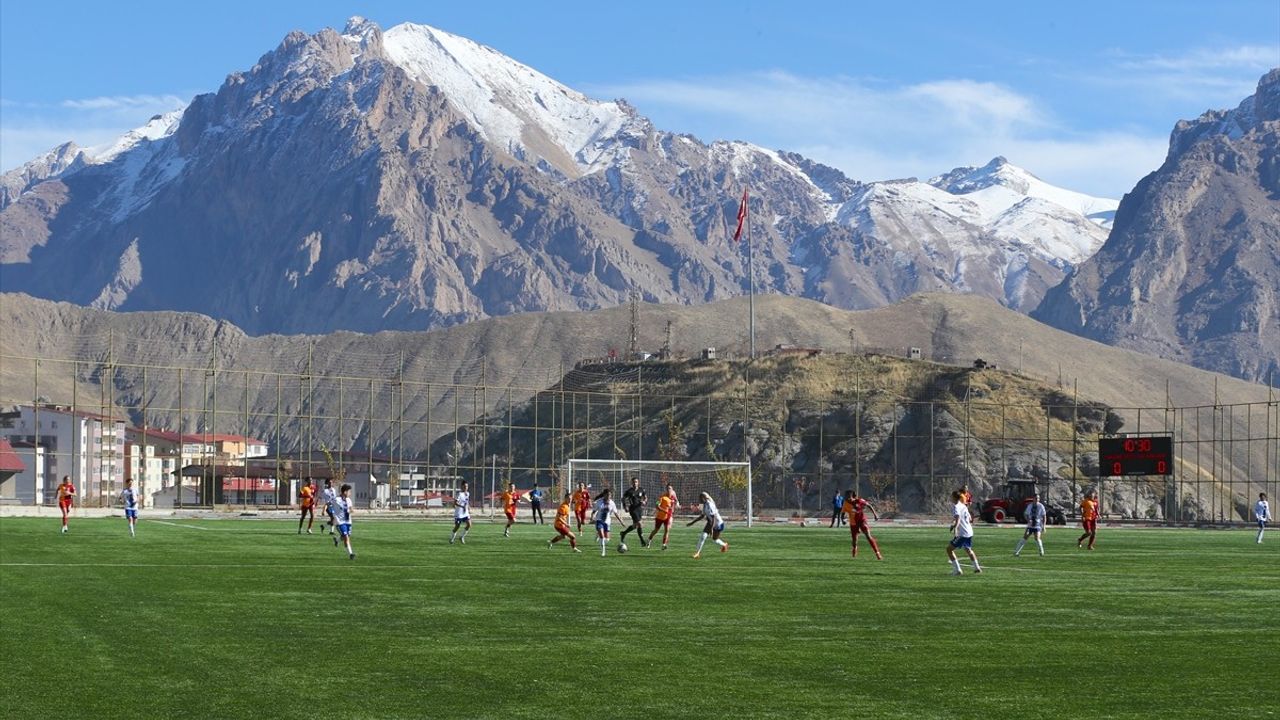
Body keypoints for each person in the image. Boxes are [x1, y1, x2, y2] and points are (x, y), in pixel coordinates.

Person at [946, 490, 982, 575]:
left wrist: (955, 527)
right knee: (968, 550)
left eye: (951, 496)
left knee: (949, 549)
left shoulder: (956, 507)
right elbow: (969, 519)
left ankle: (957, 570)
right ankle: (977, 568)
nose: (950, 498)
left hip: (963, 533)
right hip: (969, 531)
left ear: (954, 497)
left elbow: (958, 519)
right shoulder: (963, 506)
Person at [686, 491, 728, 559]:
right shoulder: (705, 504)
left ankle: (724, 544)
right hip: (711, 522)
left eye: (700, 498)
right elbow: (702, 516)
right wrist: (692, 523)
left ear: (704, 498)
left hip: (718, 524)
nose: (699, 499)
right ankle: (697, 553)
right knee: (703, 537)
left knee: (715, 539)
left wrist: (711, 529)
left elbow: (713, 517)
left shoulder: (710, 504)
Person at [842, 489, 882, 559]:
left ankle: (877, 553)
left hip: (862, 520)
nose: (846, 498)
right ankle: (855, 548)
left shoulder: (860, 501)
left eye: (847, 496)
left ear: (851, 497)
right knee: (854, 541)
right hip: (853, 523)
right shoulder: (845, 503)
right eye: (845, 496)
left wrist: (875, 514)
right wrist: (843, 520)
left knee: (868, 536)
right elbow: (842, 513)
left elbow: (869, 505)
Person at [591, 488, 625, 556]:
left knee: (607, 539)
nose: (609, 496)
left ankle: (598, 534)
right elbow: (594, 511)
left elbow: (616, 513)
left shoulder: (612, 503)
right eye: (607, 495)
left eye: (610, 495)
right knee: (602, 538)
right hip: (599, 521)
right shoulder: (599, 502)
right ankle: (603, 552)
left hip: (607, 522)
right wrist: (592, 517)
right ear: (604, 495)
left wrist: (621, 521)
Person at [618, 477, 649, 548]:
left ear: (638, 482)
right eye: (634, 482)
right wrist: (625, 506)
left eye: (636, 482)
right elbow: (623, 498)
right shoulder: (629, 491)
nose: (635, 483)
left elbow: (645, 497)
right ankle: (642, 541)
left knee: (635, 525)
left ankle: (623, 533)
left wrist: (644, 501)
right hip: (633, 509)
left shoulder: (642, 490)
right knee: (639, 524)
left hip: (639, 509)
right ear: (631, 483)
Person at [647, 484, 679, 550]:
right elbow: (657, 506)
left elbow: (675, 501)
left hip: (668, 516)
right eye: (667, 488)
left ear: (672, 490)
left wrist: (677, 504)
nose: (668, 490)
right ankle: (649, 540)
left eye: (670, 488)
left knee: (667, 530)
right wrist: (664, 510)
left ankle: (664, 545)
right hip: (660, 517)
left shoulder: (673, 496)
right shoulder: (662, 497)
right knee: (656, 530)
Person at [331, 483, 355, 560]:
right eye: (349, 491)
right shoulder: (336, 499)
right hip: (340, 522)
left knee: (346, 536)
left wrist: (351, 511)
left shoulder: (348, 500)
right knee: (346, 537)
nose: (350, 493)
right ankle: (351, 554)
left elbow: (351, 509)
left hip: (348, 521)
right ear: (345, 492)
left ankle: (337, 540)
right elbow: (329, 504)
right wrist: (331, 514)